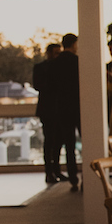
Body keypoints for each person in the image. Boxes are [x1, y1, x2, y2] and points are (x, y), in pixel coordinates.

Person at [44, 33, 80, 190]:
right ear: (74, 44)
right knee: (84, 142)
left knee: (69, 145)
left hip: (62, 109)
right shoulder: (78, 62)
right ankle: (87, 177)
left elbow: (50, 88)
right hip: (78, 107)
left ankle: (73, 178)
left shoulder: (53, 64)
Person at [33, 42, 62, 184]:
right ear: (49, 53)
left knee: (58, 142)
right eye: (56, 53)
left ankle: (57, 170)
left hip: (60, 108)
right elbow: (38, 85)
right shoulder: (40, 68)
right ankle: (48, 172)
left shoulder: (61, 68)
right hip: (47, 109)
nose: (58, 56)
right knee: (49, 141)